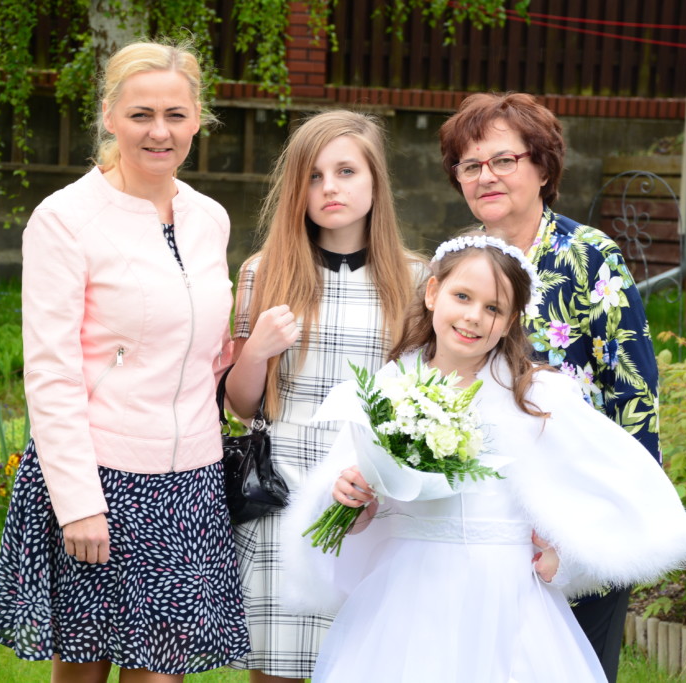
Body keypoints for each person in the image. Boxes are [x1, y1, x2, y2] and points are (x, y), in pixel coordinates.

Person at [278, 234, 686, 683]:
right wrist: (352, 501)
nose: (473, 317)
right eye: (462, 296)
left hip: (507, 589)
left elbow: (591, 482)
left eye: (493, 308)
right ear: (432, 293)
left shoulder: (535, 398)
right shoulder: (389, 388)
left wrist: (564, 556)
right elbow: (357, 495)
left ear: (509, 322)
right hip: (410, 589)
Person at [0, 41, 250, 682]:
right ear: (109, 116)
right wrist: (77, 501)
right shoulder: (64, 220)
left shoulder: (209, 218)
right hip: (102, 475)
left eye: (176, 115)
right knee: (84, 667)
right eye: (141, 115)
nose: (160, 132)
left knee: (161, 672)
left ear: (198, 119)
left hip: (189, 482)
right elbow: (51, 372)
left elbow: (204, 356)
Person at [438, 92, 661, 682]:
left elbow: (634, 394)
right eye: (470, 165)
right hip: (484, 515)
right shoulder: (462, 264)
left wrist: (605, 519)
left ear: (542, 167)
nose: (485, 176)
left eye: (503, 160)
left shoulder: (589, 257)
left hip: (576, 504)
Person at [224, 109, 425, 683]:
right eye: (313, 176)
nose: (329, 187)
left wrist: (379, 479)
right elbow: (241, 406)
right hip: (283, 489)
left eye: (346, 171)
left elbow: (420, 397)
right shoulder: (266, 271)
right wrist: (256, 352)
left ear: (375, 180)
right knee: (279, 666)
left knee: (366, 662)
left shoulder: (416, 279)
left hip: (369, 490)